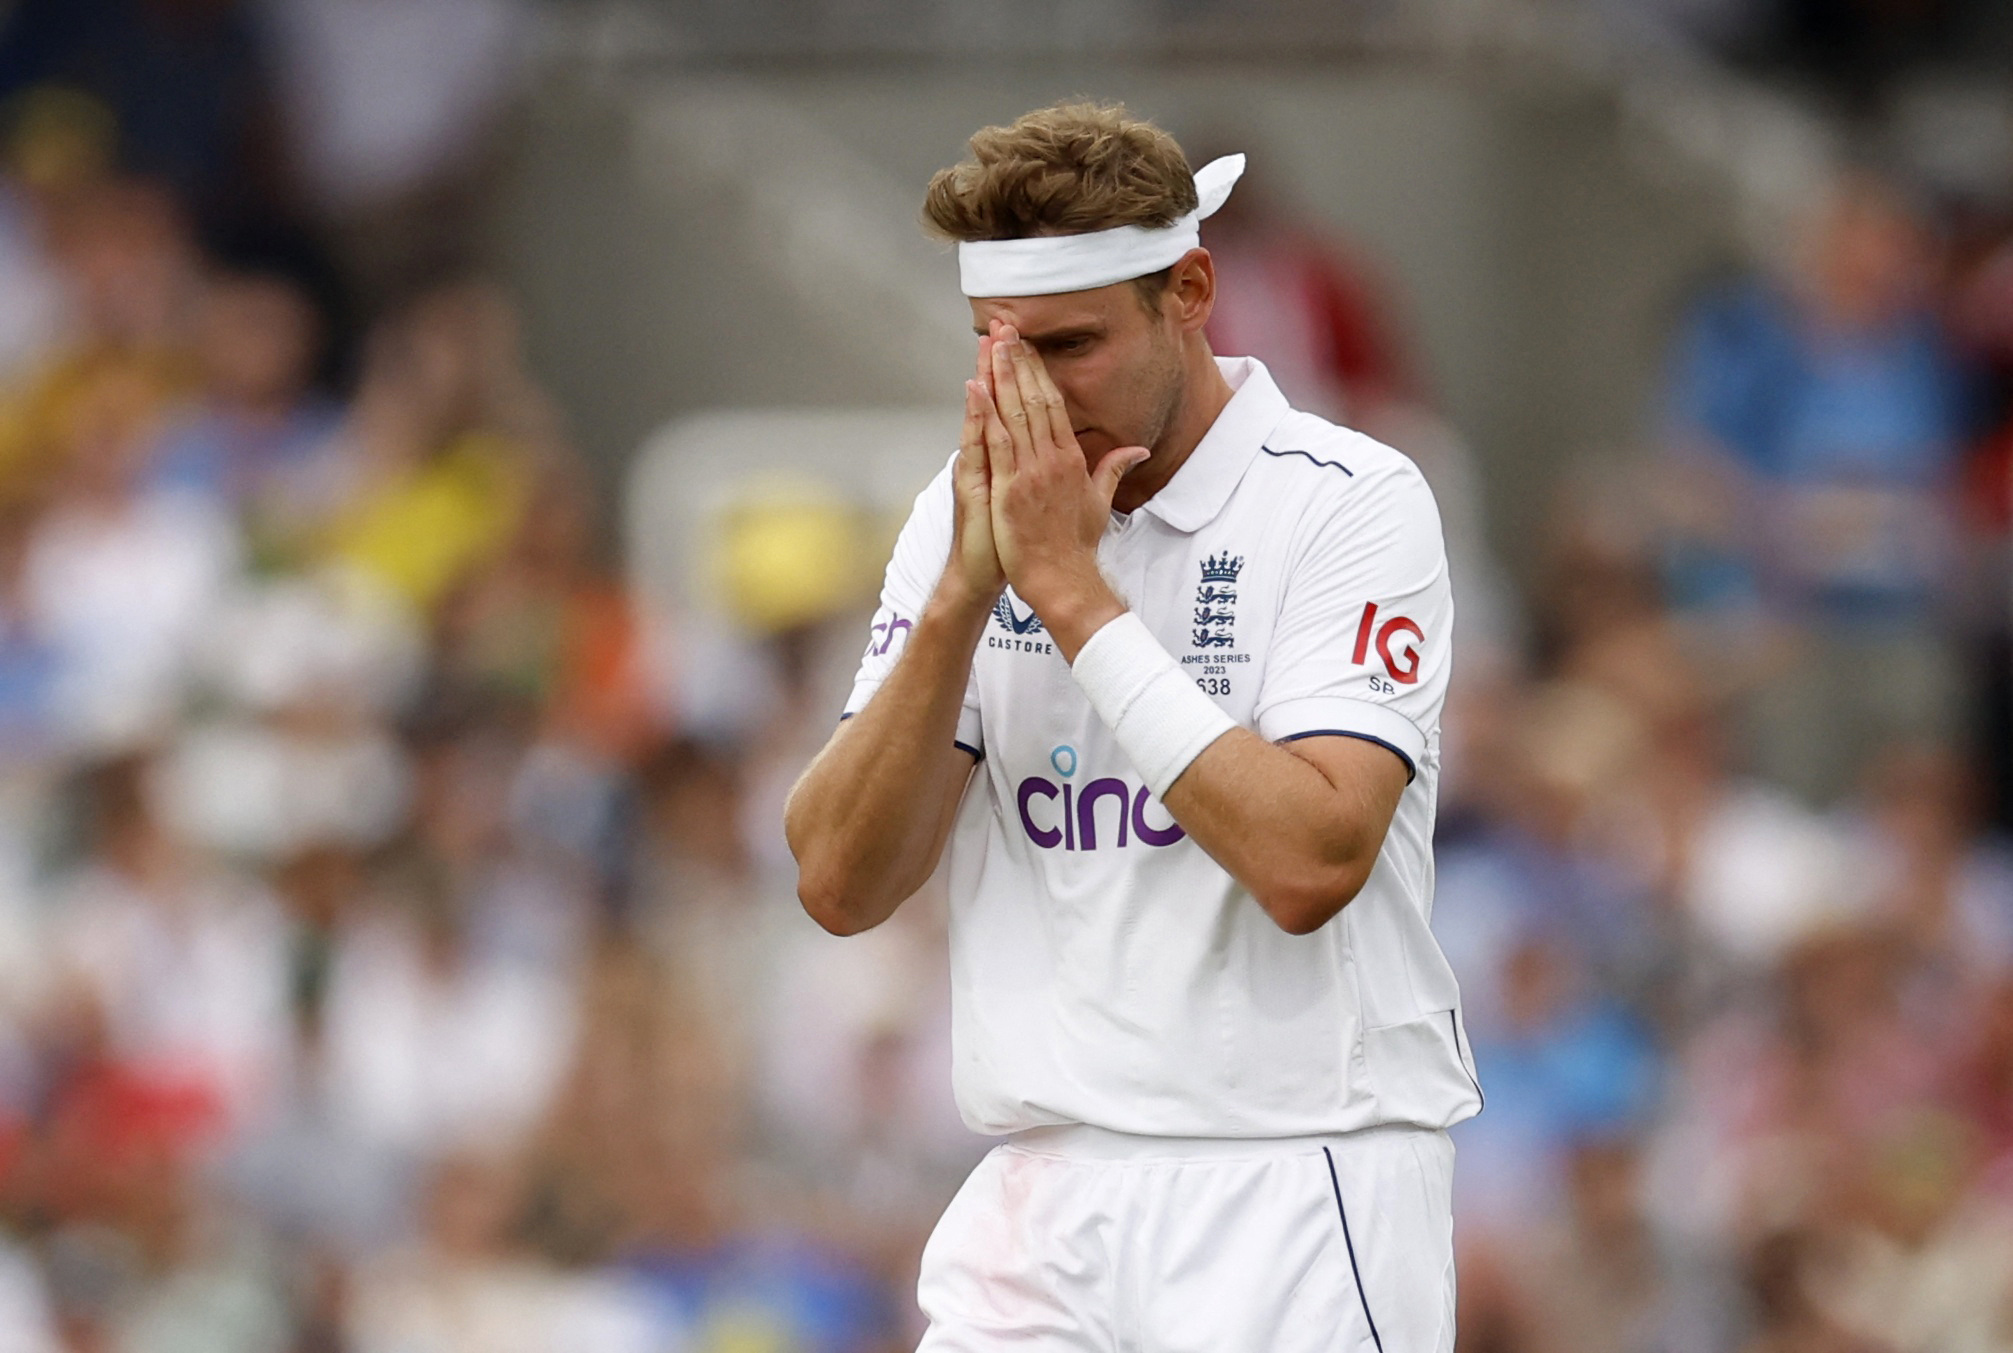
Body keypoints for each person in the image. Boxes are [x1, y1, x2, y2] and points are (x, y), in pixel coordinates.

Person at [784, 102, 1481, 1351]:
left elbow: (1311, 860)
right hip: (1041, 1185)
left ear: (1192, 290)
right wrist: (962, 596)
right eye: (998, 352)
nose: (1033, 401)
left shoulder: (1352, 503)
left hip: (1297, 1183)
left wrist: (1074, 599)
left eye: (1071, 345)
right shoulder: (960, 529)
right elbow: (838, 879)